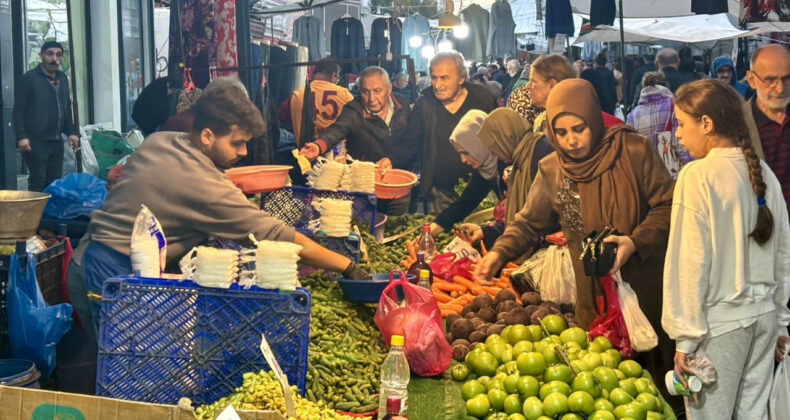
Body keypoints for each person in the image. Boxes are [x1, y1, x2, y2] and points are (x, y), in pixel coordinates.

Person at [71, 82, 369, 329]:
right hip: (110, 274)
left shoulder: (162, 140)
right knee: (128, 369)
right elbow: (278, 236)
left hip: (88, 256)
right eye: (236, 143)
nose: (243, 152)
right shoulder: (205, 187)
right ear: (207, 136)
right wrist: (346, 266)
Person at [474, 78, 678, 408]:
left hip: (645, 292)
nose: (571, 140)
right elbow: (528, 222)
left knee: (656, 392)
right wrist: (498, 253)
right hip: (593, 299)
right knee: (605, 393)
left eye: (579, 129)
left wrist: (634, 241)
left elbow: (667, 205)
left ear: (593, 119)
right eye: (561, 132)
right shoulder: (553, 169)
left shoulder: (633, 151)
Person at [663, 78, 790, 418]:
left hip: (719, 327)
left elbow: (689, 262)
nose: (678, 134)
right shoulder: (763, 173)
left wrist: (685, 339)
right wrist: (781, 322)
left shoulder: (697, 176)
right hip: (763, 320)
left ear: (706, 123)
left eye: (682, 123)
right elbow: (783, 255)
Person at [299, 66, 413, 215]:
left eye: (377, 91)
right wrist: (319, 146)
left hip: (398, 186)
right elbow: (338, 128)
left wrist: (391, 159)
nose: (371, 99)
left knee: (397, 225)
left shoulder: (402, 104)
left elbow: (409, 141)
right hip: (365, 187)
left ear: (389, 88)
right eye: (365, 92)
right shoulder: (354, 109)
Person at [443, 109, 555, 249]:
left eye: (494, 146)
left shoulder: (540, 156)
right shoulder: (518, 161)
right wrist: (487, 231)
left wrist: (491, 232)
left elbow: (534, 218)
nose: (492, 152)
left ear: (505, 137)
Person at [403, 51, 497, 214]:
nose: (437, 85)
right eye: (434, 78)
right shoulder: (424, 103)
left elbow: (499, 137)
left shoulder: (483, 98)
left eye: (444, 78)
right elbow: (410, 144)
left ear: (461, 78)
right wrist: (390, 160)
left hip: (484, 191)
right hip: (440, 195)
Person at [13, 40, 79, 192]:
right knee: (38, 179)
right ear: (41, 55)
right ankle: (35, 208)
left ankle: (49, 207)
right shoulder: (30, 78)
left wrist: (71, 132)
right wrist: (21, 136)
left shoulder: (62, 78)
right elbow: (19, 110)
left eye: (58, 55)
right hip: (35, 140)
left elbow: (66, 107)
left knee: (54, 182)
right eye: (50, 54)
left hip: (56, 140)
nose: (54, 58)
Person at [743, 44, 790, 213]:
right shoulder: (735, 126)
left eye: (787, 78)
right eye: (770, 80)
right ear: (751, 80)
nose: (780, 88)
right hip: (759, 224)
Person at [626, 72, 692, 178]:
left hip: (648, 174)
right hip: (672, 172)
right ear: (665, 85)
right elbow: (679, 145)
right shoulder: (674, 107)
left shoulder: (632, 115)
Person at [277, 58, 353, 146]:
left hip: (305, 150)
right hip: (337, 151)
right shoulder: (345, 95)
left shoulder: (297, 95)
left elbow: (280, 116)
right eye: (337, 78)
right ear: (333, 75)